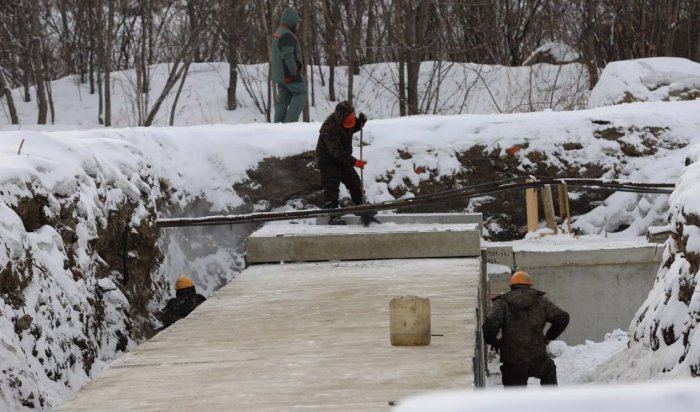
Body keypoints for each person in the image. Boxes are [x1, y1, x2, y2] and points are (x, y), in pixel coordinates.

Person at [482, 271, 569, 386]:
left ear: (512, 286)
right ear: (530, 285)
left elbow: (491, 323)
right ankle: (550, 402)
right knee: (549, 372)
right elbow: (562, 318)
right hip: (538, 358)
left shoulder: (502, 303)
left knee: (515, 399)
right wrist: (549, 337)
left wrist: (493, 341)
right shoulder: (541, 302)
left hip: (513, 360)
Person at [316, 100, 369, 225]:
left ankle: (361, 208)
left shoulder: (348, 117)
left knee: (355, 183)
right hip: (328, 160)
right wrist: (355, 162)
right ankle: (333, 215)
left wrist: (361, 122)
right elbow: (337, 153)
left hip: (343, 157)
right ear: (341, 118)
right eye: (347, 123)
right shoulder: (329, 128)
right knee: (331, 188)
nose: (350, 124)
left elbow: (353, 127)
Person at [270, 8, 307, 123]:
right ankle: (289, 125)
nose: (298, 25)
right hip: (290, 75)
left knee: (283, 100)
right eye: (297, 22)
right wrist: (294, 70)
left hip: (280, 76)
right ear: (292, 22)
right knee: (301, 93)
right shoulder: (287, 35)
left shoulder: (279, 33)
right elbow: (287, 54)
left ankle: (278, 127)